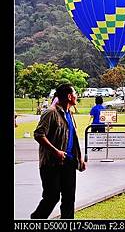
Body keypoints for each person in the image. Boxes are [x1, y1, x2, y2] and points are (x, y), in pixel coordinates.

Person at [31, 84, 86, 219]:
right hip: (52, 163)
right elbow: (39, 134)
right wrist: (55, 151)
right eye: (75, 93)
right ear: (69, 96)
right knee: (52, 196)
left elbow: (73, 138)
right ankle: (36, 219)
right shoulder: (51, 112)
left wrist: (79, 159)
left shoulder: (69, 114)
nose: (76, 96)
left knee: (69, 198)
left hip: (69, 161)